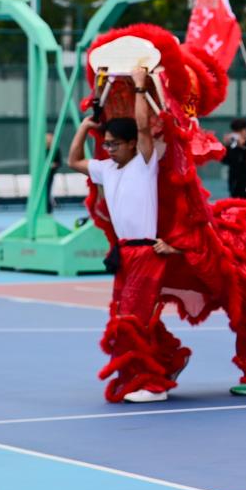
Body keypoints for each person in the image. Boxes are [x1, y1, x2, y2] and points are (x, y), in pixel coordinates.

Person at [68, 66, 182, 403]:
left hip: (147, 253)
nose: (109, 149)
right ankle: (170, 361)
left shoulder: (144, 163)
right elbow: (73, 160)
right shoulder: (106, 168)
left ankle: (153, 385)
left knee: (133, 319)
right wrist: (85, 128)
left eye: (115, 144)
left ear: (133, 144)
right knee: (124, 316)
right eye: (106, 144)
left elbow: (144, 126)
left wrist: (139, 87)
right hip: (124, 255)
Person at [220, 118, 246, 200]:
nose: (238, 135)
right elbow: (225, 160)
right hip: (235, 186)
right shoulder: (233, 146)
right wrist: (226, 146)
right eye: (236, 132)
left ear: (245, 130)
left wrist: (243, 146)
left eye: (240, 131)